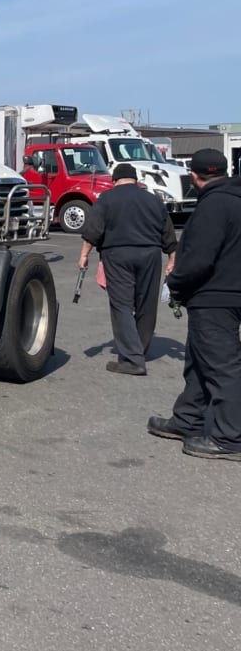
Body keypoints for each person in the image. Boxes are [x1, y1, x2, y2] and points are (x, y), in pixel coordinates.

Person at [148, 148, 241, 460]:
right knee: (199, 359)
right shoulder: (235, 198)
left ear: (194, 176)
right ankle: (188, 419)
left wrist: (174, 284)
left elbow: (199, 258)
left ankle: (229, 438)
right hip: (228, 292)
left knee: (222, 365)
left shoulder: (213, 205)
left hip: (215, 296)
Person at [78, 162, 177, 375]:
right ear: (135, 180)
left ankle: (132, 360)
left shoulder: (107, 198)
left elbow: (93, 230)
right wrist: (172, 259)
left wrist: (84, 255)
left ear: (115, 181)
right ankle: (139, 349)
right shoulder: (153, 199)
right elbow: (168, 232)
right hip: (150, 255)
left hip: (118, 255)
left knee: (122, 304)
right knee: (146, 304)